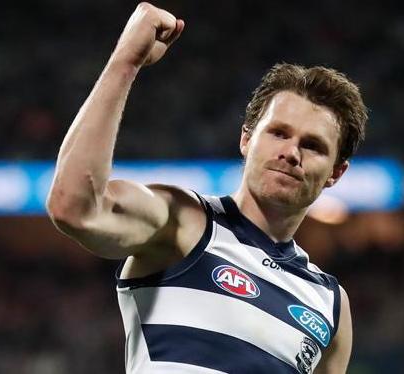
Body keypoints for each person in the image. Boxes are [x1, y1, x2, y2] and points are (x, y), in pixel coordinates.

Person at [47, 3, 368, 374]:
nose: (291, 153)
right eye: (278, 133)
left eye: (312, 146)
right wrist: (126, 61)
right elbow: (73, 206)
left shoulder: (329, 304)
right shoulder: (183, 221)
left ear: (336, 173)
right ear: (246, 139)